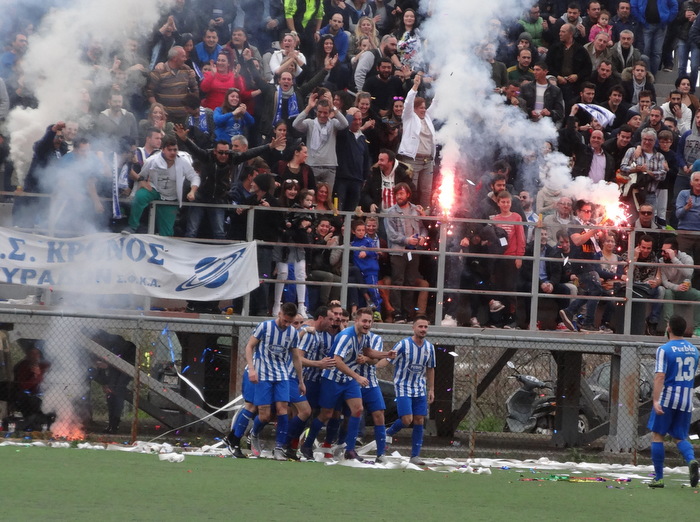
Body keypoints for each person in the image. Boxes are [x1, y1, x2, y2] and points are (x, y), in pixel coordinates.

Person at [299, 307, 396, 461]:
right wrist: (357, 377)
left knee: (357, 410)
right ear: (356, 321)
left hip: (349, 379)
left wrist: (386, 354)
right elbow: (337, 361)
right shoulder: (346, 336)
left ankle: (350, 449)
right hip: (333, 378)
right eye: (364, 321)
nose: (367, 324)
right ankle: (307, 444)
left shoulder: (364, 336)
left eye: (369, 321)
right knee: (327, 414)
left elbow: (368, 352)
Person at [244, 302, 304, 460]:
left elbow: (296, 357)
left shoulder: (292, 333)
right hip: (263, 374)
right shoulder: (265, 327)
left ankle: (278, 448)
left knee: (282, 410)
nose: (287, 324)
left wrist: (301, 380)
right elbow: (249, 346)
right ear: (279, 314)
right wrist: (252, 369)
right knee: (265, 415)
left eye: (290, 322)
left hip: (282, 375)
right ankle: (254, 433)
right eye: (285, 320)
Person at [647, 314, 699, 488]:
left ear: (668, 328)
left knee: (658, 435)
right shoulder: (694, 350)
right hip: (686, 400)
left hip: (668, 398)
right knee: (679, 436)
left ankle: (659, 478)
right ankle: (691, 460)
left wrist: (656, 400)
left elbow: (660, 376)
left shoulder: (664, 349)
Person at [122, 135, 200, 236]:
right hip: (154, 189)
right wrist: (142, 181)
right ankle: (132, 226)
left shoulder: (183, 162)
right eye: (170, 150)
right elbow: (141, 175)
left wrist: (192, 191)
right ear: (163, 149)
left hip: (170, 196)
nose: (173, 153)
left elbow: (195, 177)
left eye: (175, 150)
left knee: (167, 233)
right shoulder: (152, 160)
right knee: (140, 196)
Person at [385, 316, 435, 466]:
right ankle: (388, 433)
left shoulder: (429, 348)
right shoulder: (403, 345)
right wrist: (373, 366)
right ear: (413, 328)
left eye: (425, 327)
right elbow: (388, 359)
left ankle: (415, 455)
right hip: (403, 386)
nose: (423, 329)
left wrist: (431, 389)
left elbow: (430, 368)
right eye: (420, 326)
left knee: (420, 419)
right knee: (407, 420)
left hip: (420, 387)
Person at [385, 182, 428, 324]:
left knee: (410, 282)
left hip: (413, 251)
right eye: (397, 194)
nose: (399, 196)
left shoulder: (416, 210)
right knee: (398, 281)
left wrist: (422, 237)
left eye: (401, 193)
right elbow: (391, 235)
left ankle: (408, 313)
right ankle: (397, 314)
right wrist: (407, 240)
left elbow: (423, 228)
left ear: (408, 194)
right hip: (398, 252)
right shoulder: (390, 212)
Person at [397, 74, 437, 209]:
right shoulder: (408, 117)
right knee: (411, 189)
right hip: (412, 160)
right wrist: (415, 86)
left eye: (425, 107)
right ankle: (409, 214)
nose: (424, 110)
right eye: (421, 107)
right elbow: (408, 102)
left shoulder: (428, 118)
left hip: (428, 161)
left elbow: (436, 103)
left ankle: (424, 216)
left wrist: (441, 87)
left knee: (426, 191)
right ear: (414, 109)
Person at [145, 46, 199, 125]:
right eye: (183, 56)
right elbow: (149, 92)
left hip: (184, 116)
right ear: (174, 58)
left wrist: (193, 108)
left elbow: (195, 88)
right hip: (166, 116)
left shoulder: (187, 69)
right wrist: (159, 110)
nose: (185, 59)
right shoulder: (159, 71)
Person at [659, 237, 700, 336]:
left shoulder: (687, 258)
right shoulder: (661, 260)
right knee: (667, 292)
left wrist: (674, 259)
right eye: (662, 251)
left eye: (665, 252)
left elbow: (689, 273)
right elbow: (664, 282)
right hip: (671, 289)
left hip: (685, 290)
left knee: (698, 295)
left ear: (674, 252)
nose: (662, 254)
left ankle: (697, 328)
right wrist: (676, 287)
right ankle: (668, 327)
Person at [631, 0, 678, 76]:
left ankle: (652, 76)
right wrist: (642, 20)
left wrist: (668, 19)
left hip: (661, 27)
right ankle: (644, 75)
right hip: (646, 26)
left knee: (657, 53)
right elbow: (633, 6)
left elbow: (674, 5)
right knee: (645, 51)